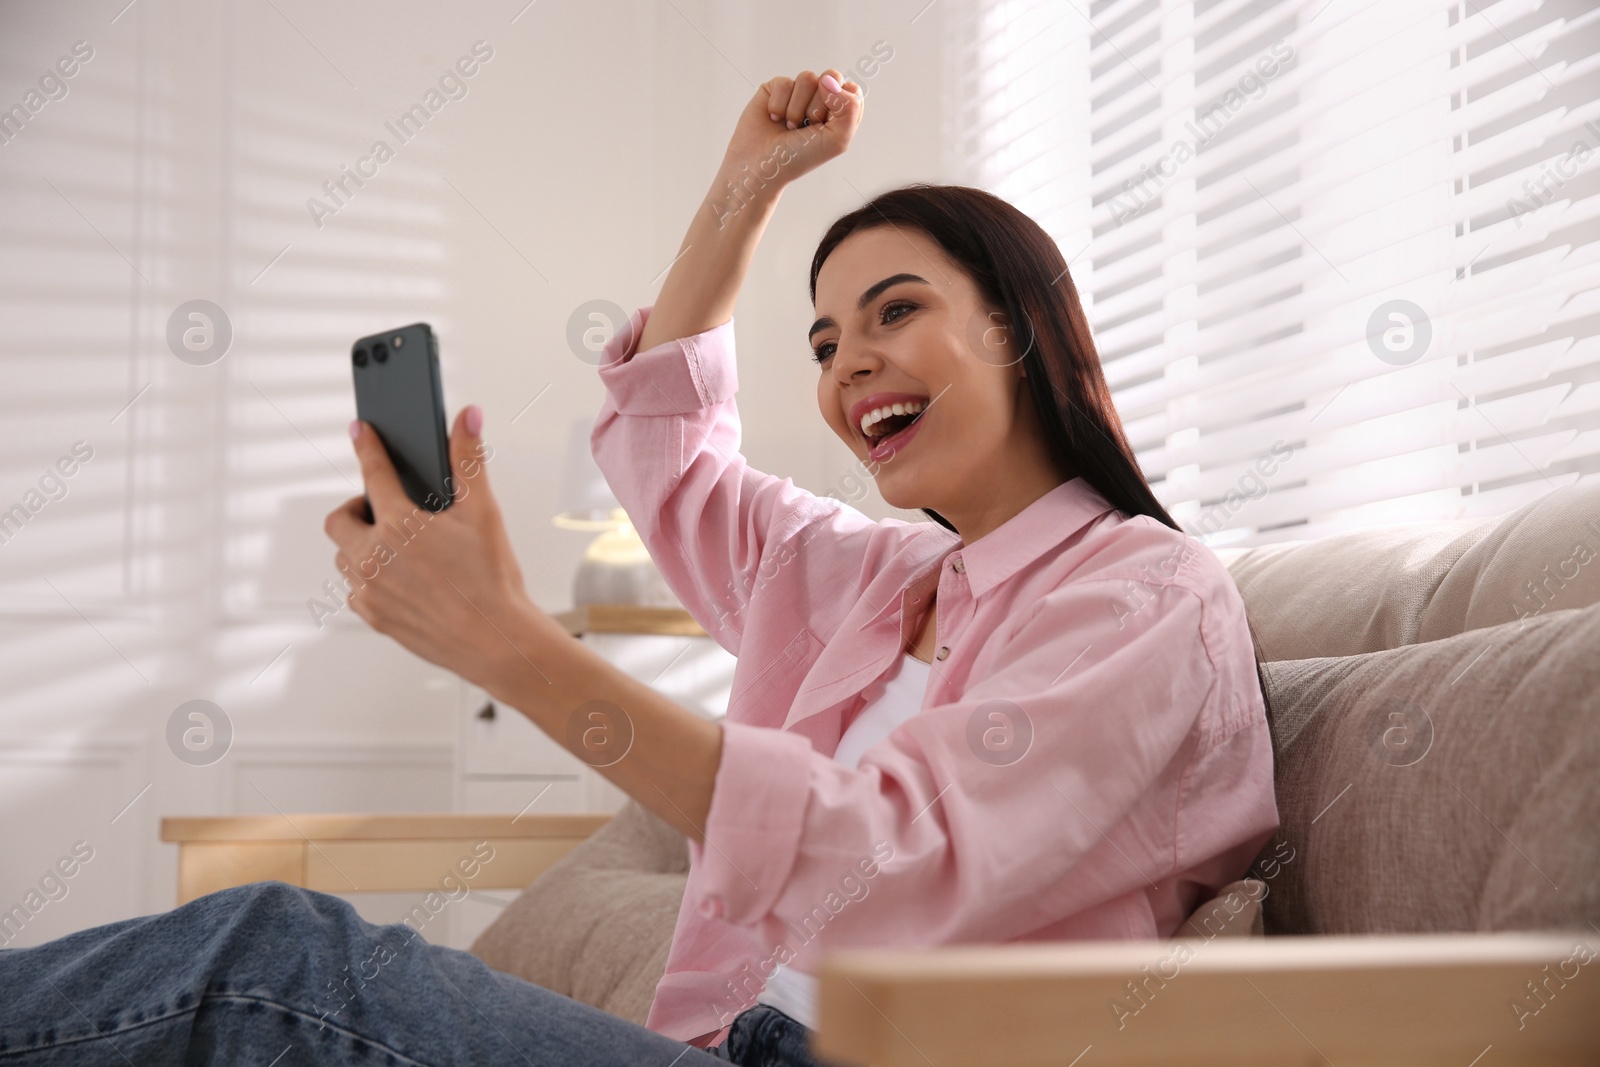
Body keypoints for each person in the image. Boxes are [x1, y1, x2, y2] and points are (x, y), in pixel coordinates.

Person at [0, 67, 1279, 1067]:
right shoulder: (865, 578)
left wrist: (511, 645)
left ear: (1019, 324)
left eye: (896, 311)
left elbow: (889, 862)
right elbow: (668, 447)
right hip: (722, 1040)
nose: (847, 365)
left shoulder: (1145, 593)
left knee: (272, 958)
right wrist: (745, 185)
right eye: (825, 339)